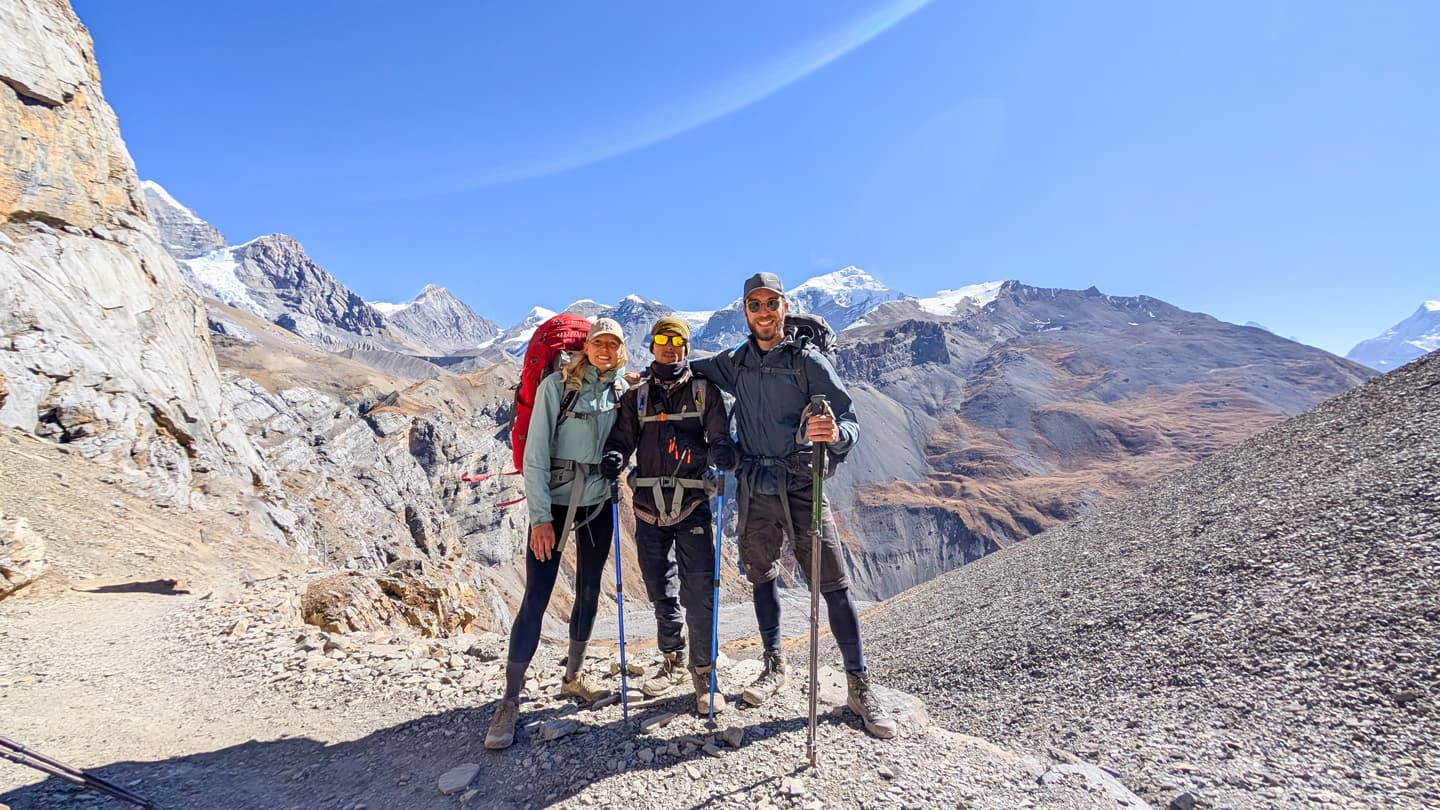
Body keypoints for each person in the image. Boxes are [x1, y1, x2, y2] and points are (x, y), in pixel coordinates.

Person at [690, 273, 897, 739]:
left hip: (803, 484)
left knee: (833, 584)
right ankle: (773, 664)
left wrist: (838, 435)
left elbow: (847, 416)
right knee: (762, 575)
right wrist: (651, 373)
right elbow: (695, 368)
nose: (764, 312)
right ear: (744, 311)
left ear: (785, 307)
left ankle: (859, 685)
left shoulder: (809, 362)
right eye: (755, 305)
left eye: (771, 304)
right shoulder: (735, 362)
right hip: (755, 484)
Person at [485, 318, 630, 751]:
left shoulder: (622, 391)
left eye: (613, 344)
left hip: (599, 504)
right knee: (537, 596)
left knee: (588, 591)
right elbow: (535, 457)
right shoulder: (557, 387)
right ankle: (509, 700)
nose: (605, 350)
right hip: (557, 505)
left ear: (621, 351)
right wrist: (541, 518)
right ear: (586, 347)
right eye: (598, 343)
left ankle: (573, 677)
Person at [601, 316, 737, 715]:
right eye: (663, 339)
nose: (670, 347)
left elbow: (719, 437)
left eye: (678, 341)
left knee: (698, 592)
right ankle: (673, 657)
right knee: (661, 590)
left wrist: (720, 451)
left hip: (692, 506)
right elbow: (622, 439)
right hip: (647, 509)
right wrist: (614, 455)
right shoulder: (636, 397)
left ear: (687, 347)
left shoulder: (704, 393)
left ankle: (704, 673)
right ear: (653, 346)